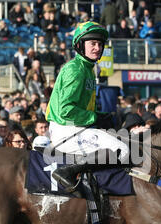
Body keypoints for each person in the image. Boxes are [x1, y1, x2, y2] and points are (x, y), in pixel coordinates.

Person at [45, 21, 132, 194]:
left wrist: (102, 116)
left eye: (100, 44)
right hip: (65, 130)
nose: (97, 48)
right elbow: (65, 110)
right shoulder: (75, 70)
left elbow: (82, 109)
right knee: (122, 150)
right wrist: (95, 118)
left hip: (75, 128)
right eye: (92, 43)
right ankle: (67, 172)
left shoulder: (88, 69)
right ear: (79, 45)